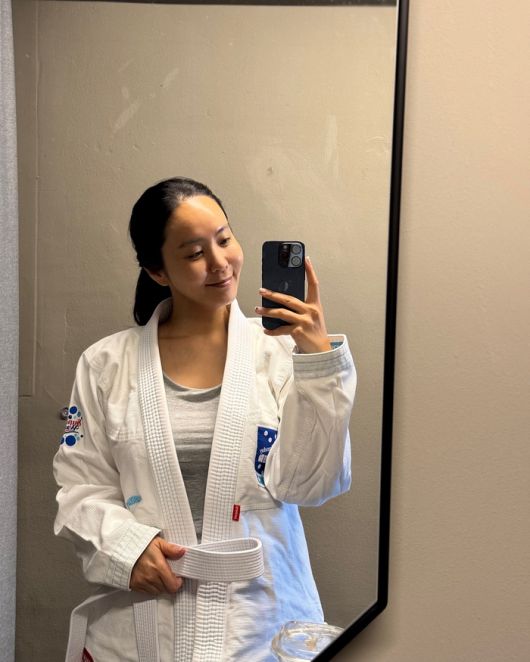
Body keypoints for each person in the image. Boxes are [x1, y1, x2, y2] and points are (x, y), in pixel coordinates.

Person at [53, 177, 356, 662]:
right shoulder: (106, 364)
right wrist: (128, 548)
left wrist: (319, 365)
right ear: (157, 271)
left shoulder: (281, 356)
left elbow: (311, 485)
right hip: (143, 626)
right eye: (195, 253)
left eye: (224, 239)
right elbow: (82, 486)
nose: (220, 263)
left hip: (260, 625)